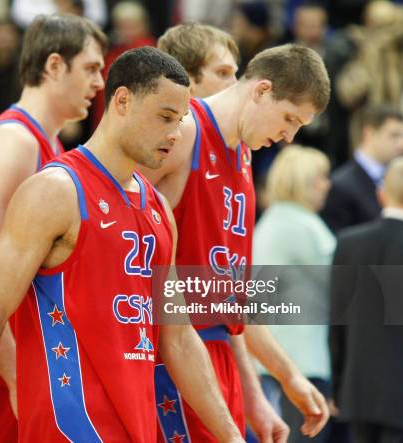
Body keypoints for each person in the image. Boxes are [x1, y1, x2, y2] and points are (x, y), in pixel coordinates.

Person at [0, 46, 244, 443]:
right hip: (68, 429)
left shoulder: (158, 209)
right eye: (165, 117)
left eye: (182, 120)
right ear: (122, 101)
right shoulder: (55, 191)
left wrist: (232, 436)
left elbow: (178, 338)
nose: (175, 133)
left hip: (136, 426)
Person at [144, 23, 331, 442]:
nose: (289, 136)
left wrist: (283, 378)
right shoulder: (185, 133)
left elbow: (231, 300)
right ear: (261, 91)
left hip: (218, 354)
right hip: (168, 355)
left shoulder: (244, 155)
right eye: (289, 119)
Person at [0, 13, 107, 443]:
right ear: (53, 66)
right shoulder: (16, 143)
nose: (100, 82)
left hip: (5, 363)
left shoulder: (51, 147)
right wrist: (20, 380)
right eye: (90, 68)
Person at [254, 145, 336, 443]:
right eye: (320, 178)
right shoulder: (300, 226)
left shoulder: (276, 220)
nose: (328, 184)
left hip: (280, 354)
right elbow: (342, 284)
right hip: (300, 358)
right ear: (301, 181)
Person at [329, 157, 403, 442]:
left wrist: (338, 386)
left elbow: (338, 321)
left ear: (381, 193)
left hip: (358, 390)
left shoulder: (348, 243)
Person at [321, 104, 403, 234]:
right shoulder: (340, 185)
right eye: (394, 135)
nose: (401, 144)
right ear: (369, 134)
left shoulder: (396, 178)